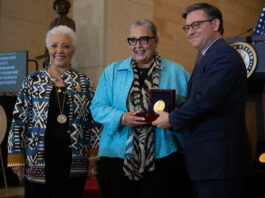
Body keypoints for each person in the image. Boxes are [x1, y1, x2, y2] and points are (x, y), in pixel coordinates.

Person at [153, 3, 254, 198]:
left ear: (215, 24)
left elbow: (206, 99)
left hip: (220, 163)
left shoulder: (223, 55)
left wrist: (172, 119)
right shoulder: (207, 56)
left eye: (196, 24)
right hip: (208, 162)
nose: (190, 31)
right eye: (187, 27)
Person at [90, 19, 192, 198]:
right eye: (133, 40)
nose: (138, 45)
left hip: (164, 157)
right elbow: (97, 108)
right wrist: (122, 117)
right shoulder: (112, 72)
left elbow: (191, 108)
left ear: (156, 41)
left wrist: (172, 117)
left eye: (144, 39)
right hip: (116, 158)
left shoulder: (178, 72)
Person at [7, 25, 102, 198]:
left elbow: (95, 121)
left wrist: (93, 157)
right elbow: (18, 120)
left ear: (73, 50)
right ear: (48, 49)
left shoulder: (84, 83)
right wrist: (16, 157)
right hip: (36, 161)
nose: (60, 50)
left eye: (66, 46)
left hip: (74, 162)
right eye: (54, 45)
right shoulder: (33, 80)